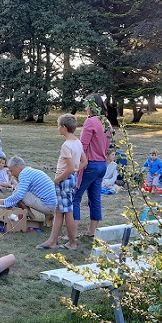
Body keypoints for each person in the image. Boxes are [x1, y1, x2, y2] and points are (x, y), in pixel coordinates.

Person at [37, 113, 86, 250]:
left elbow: (70, 168)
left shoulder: (66, 145)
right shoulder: (78, 142)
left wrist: (58, 179)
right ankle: (52, 240)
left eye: (58, 126)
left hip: (64, 180)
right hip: (71, 179)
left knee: (67, 211)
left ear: (64, 127)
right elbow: (84, 162)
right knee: (60, 211)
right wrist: (75, 171)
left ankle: (72, 243)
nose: (58, 128)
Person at [74, 94, 113, 238]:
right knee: (95, 198)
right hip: (102, 165)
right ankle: (91, 231)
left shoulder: (90, 122)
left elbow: (82, 147)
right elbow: (109, 146)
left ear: (91, 106)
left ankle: (73, 233)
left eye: (86, 105)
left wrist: (75, 165)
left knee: (75, 197)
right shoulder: (106, 122)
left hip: (89, 164)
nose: (85, 108)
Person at [0, 156, 57, 224]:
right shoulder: (29, 171)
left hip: (48, 205)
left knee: (17, 194)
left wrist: (5, 201)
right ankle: (48, 216)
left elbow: (19, 195)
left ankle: (33, 219)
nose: (12, 174)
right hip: (54, 203)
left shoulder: (24, 174)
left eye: (11, 171)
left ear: (16, 167)